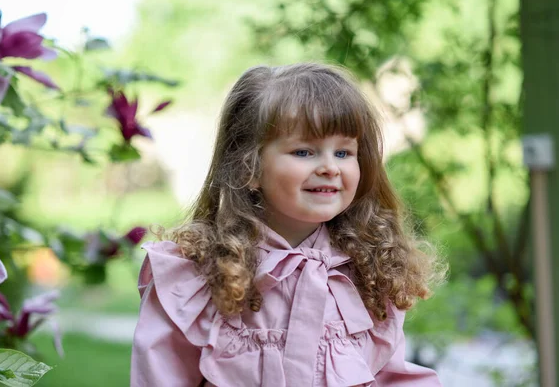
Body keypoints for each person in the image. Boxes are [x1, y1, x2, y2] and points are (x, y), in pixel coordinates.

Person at [131, 63, 445, 386]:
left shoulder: (367, 274)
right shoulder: (197, 274)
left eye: (342, 152)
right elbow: (159, 376)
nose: (329, 167)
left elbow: (389, 375)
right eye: (304, 151)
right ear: (247, 167)